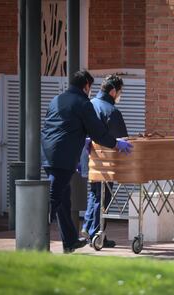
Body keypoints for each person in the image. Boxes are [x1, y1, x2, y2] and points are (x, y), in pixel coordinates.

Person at [41, 70, 133, 253]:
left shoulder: (56, 99)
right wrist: (115, 143)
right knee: (53, 199)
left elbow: (55, 126)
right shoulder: (83, 103)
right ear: (86, 86)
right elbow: (97, 132)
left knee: (63, 200)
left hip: (48, 155)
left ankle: (70, 241)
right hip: (64, 157)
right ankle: (37, 240)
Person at [81, 74, 128, 248]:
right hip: (106, 162)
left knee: (94, 194)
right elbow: (121, 139)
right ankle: (97, 233)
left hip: (89, 159)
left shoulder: (90, 105)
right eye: (120, 91)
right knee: (103, 197)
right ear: (113, 91)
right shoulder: (111, 111)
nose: (119, 95)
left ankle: (88, 227)